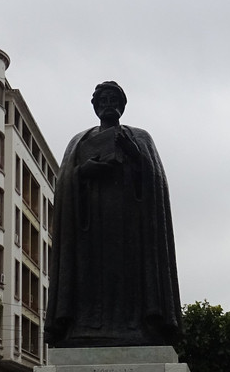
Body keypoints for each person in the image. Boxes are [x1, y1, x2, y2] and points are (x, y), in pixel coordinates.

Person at [44, 81, 181, 348]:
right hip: (89, 227)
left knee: (129, 275)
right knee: (90, 274)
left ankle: (137, 326)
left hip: (130, 224)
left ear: (122, 105)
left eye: (113, 99)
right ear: (95, 106)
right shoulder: (79, 141)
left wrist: (134, 154)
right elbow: (63, 183)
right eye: (103, 100)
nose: (108, 104)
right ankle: (85, 326)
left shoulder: (140, 137)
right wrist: (83, 171)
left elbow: (156, 181)